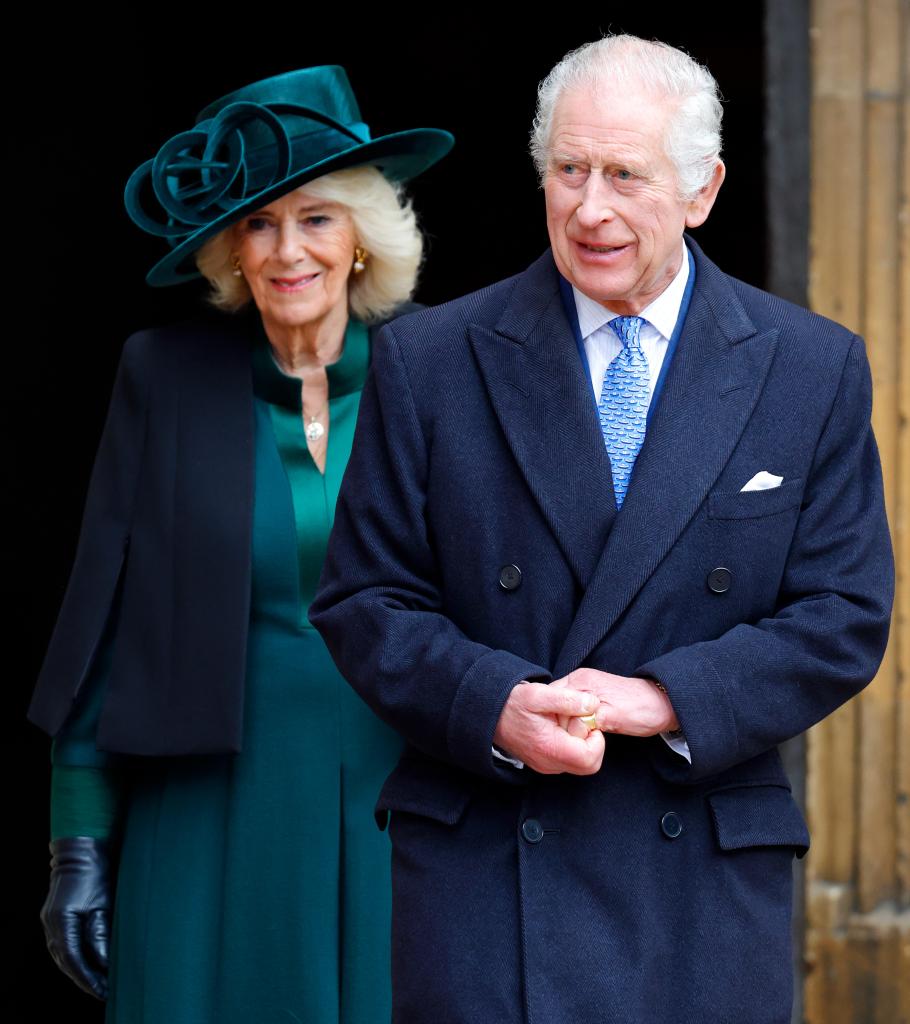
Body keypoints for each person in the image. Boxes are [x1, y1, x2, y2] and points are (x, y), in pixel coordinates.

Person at [310, 35, 894, 1024]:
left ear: (701, 190)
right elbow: (364, 599)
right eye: (567, 170)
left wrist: (661, 695)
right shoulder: (430, 359)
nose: (589, 208)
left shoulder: (809, 367)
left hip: (700, 881)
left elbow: (842, 613)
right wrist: (492, 701)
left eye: (625, 174)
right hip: (488, 871)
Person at [28, 65, 452, 1023]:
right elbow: (103, 616)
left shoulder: (444, 370)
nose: (285, 249)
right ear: (229, 248)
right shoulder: (164, 375)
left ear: (360, 240)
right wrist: (78, 847)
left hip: (403, 805)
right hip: (207, 806)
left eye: (315, 218)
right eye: (258, 224)